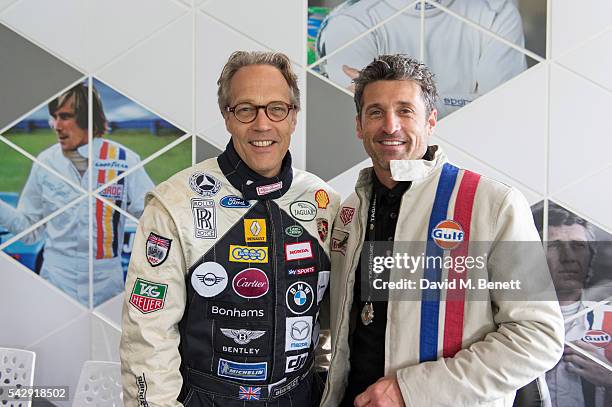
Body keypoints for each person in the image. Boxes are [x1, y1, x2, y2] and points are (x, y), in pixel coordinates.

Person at [321, 54, 564, 406]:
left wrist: (411, 391)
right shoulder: (349, 210)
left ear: (431, 120)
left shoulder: (494, 205)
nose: (390, 126)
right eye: (376, 112)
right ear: (359, 126)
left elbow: (539, 336)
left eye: (405, 111)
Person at [120, 51, 340, 406]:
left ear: (293, 116)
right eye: (245, 109)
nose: (262, 124)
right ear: (227, 117)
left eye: (276, 109)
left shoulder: (324, 201)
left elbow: (331, 324)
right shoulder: (175, 203)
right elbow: (148, 334)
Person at [0, 83, 153, 306]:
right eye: (54, 117)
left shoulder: (124, 159)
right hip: (55, 280)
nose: (56, 125)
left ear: (88, 119)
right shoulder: (46, 161)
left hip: (107, 285)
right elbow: (29, 232)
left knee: (105, 342)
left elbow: (153, 218)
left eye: (65, 116)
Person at [316, 0, 527, 117]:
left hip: (477, 157)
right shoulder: (350, 21)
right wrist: (468, 101)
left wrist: (393, 97)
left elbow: (503, 111)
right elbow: (372, 119)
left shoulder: (497, 11)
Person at [532, 203, 612, 407]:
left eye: (578, 246)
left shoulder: (608, 319)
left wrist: (609, 378)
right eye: (554, 245)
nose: (568, 258)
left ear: (591, 255)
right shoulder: (502, 319)